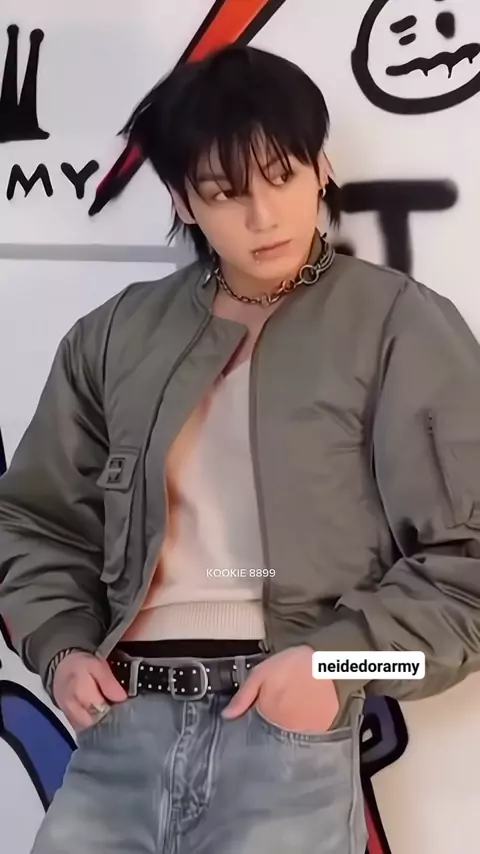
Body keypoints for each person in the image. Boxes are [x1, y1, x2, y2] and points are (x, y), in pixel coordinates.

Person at [1, 44, 480, 854]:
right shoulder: (114, 335)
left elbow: (469, 574)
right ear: (183, 201)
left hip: (288, 734)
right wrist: (59, 651)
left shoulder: (398, 323)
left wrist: (336, 672)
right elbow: (35, 522)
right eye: (226, 193)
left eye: (283, 177)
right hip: (120, 727)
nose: (264, 216)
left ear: (321, 169)